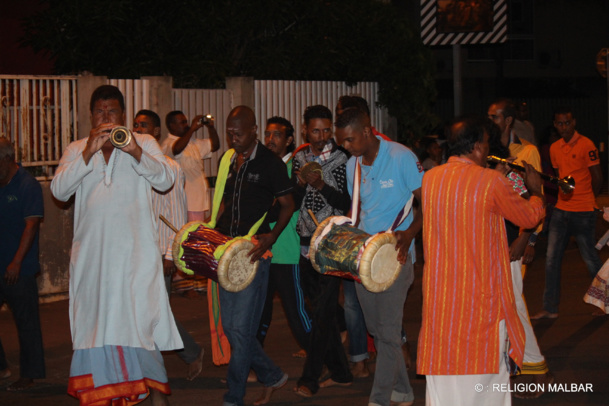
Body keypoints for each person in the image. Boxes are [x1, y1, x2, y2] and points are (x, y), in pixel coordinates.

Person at [51, 85, 182, 405]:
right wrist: (89, 152)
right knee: (94, 330)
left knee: (140, 325)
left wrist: (134, 150)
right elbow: (59, 191)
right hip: (92, 263)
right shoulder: (76, 148)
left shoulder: (145, 142)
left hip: (135, 259)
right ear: (91, 115)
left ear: (122, 115)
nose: (106, 117)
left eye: (112, 112)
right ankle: (105, 396)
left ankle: (156, 394)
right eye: (99, 112)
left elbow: (165, 180)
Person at [418, 115, 545, 406]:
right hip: (479, 304)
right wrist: (536, 191)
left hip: (442, 303)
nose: (489, 150)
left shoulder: (430, 179)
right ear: (476, 147)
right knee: (485, 384)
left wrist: (495, 176)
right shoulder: (491, 182)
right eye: (487, 144)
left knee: (445, 380)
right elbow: (528, 216)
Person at [335, 107, 422, 406]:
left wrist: (410, 233)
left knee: (386, 332)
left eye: (349, 141)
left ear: (367, 131)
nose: (346, 148)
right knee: (377, 330)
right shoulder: (352, 167)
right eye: (342, 142)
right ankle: (404, 390)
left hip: (397, 257)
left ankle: (379, 399)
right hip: (365, 260)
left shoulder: (401, 157)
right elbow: (359, 212)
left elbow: (429, 203)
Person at [215, 106, 293, 406]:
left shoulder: (271, 163)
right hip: (226, 251)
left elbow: (287, 204)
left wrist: (271, 236)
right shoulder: (229, 161)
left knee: (240, 329)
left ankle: (234, 396)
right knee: (230, 328)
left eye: (239, 132)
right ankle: (272, 375)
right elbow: (225, 201)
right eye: (230, 132)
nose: (233, 137)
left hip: (252, 254)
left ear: (254, 130)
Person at [133, 110, 205, 381]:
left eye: (145, 126)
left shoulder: (169, 167)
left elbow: (176, 216)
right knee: (146, 310)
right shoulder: (130, 165)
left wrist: (169, 255)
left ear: (155, 133)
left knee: (155, 311)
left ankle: (190, 353)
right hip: (136, 252)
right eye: (136, 125)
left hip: (158, 253)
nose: (138, 130)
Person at [487, 99, 553, 394]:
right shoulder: (489, 160)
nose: (491, 121)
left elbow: (532, 199)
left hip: (511, 241)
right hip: (489, 244)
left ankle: (538, 371)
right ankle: (509, 369)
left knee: (513, 306)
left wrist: (528, 238)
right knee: (501, 309)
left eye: (495, 117)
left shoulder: (523, 154)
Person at [292, 105, 353, 397]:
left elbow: (348, 203)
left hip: (332, 244)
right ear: (305, 130)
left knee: (322, 314)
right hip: (305, 242)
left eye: (326, 130)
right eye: (315, 130)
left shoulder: (343, 159)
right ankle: (341, 372)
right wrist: (300, 184)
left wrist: (322, 186)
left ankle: (310, 378)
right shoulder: (299, 157)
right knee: (319, 311)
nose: (322, 136)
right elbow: (291, 201)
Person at [531, 106, 603, 319]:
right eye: (560, 123)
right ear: (555, 125)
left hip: (583, 211)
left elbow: (597, 177)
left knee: (590, 258)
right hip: (562, 210)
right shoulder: (554, 148)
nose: (564, 127)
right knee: (552, 259)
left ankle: (605, 302)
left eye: (567, 123)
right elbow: (561, 177)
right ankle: (550, 308)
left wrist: (590, 201)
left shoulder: (586, 144)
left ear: (574, 122)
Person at [257, 116, 312, 353]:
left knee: (298, 315)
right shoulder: (262, 167)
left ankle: (326, 361)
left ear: (290, 140)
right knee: (259, 313)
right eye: (267, 134)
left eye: (277, 135)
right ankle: (251, 365)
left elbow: (277, 211)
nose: (270, 140)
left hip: (286, 251)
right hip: (261, 251)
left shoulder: (294, 171)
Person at [0, 137, 45, 391]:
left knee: (26, 323)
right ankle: (2, 367)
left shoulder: (27, 185)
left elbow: (31, 225)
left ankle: (29, 374)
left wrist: (17, 262)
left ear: (8, 159)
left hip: (20, 267)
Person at [162, 110, 220, 221]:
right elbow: (176, 149)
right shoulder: (168, 143)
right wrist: (192, 129)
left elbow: (215, 145)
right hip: (184, 202)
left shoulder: (192, 142)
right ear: (172, 126)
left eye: (186, 122)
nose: (187, 125)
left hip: (197, 201)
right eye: (182, 122)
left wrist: (210, 127)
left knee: (196, 236)